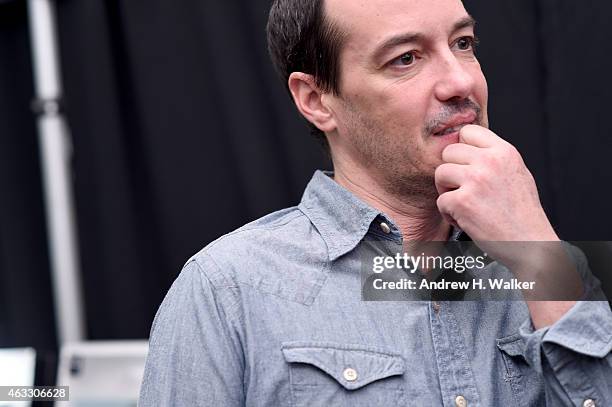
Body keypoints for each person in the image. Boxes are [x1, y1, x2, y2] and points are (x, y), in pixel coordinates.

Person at [139, 0, 612, 405]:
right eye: (406, 58)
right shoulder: (228, 290)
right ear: (317, 99)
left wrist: (537, 252)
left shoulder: (550, 269)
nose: (459, 82)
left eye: (463, 43)